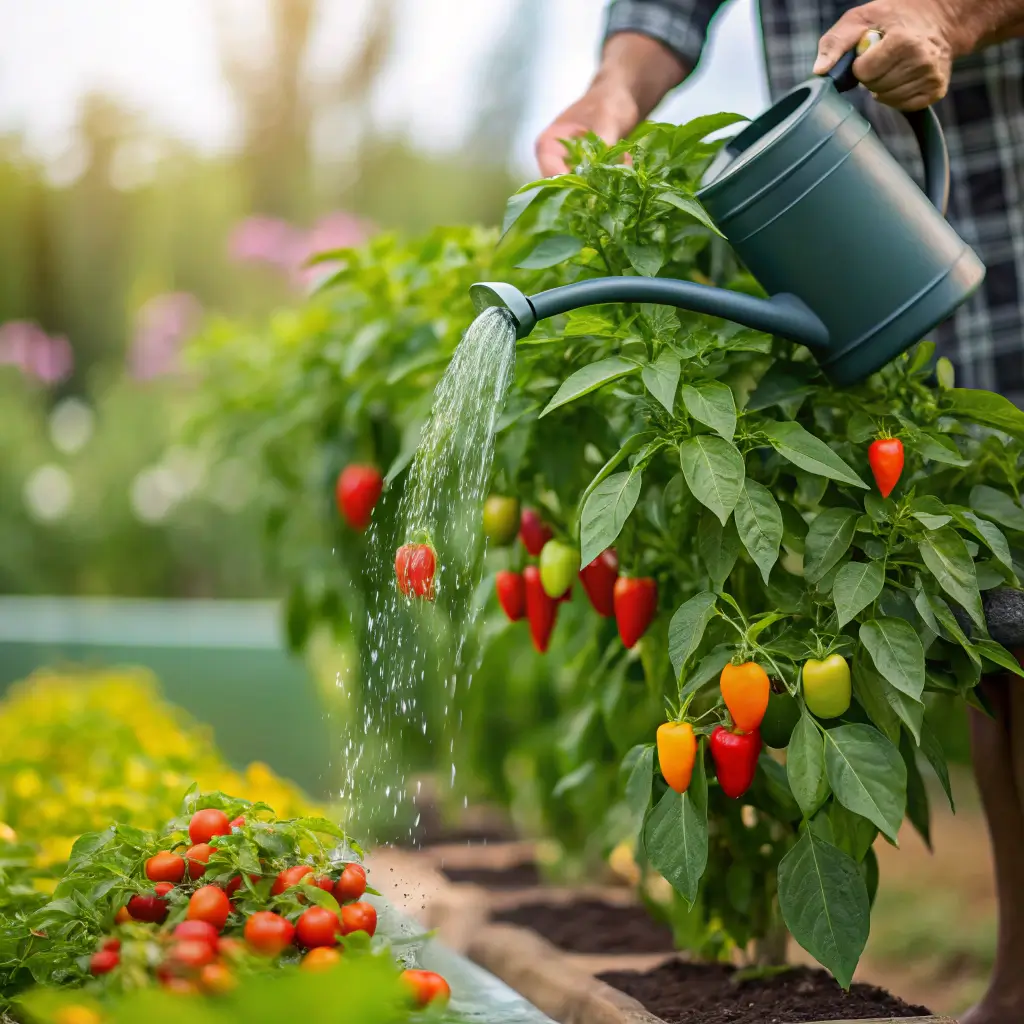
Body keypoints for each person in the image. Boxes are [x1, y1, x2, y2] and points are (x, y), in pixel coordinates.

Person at [535, 3, 1024, 1022]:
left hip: (1008, 190)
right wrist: (615, 88)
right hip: (849, 236)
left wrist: (947, 17)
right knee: (994, 630)